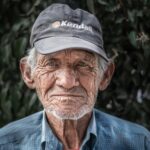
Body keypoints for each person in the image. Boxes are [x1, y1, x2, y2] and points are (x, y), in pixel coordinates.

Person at [0, 3, 150, 150]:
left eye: (83, 65)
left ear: (104, 76)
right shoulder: (5, 143)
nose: (67, 82)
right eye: (51, 64)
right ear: (28, 73)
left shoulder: (139, 143)